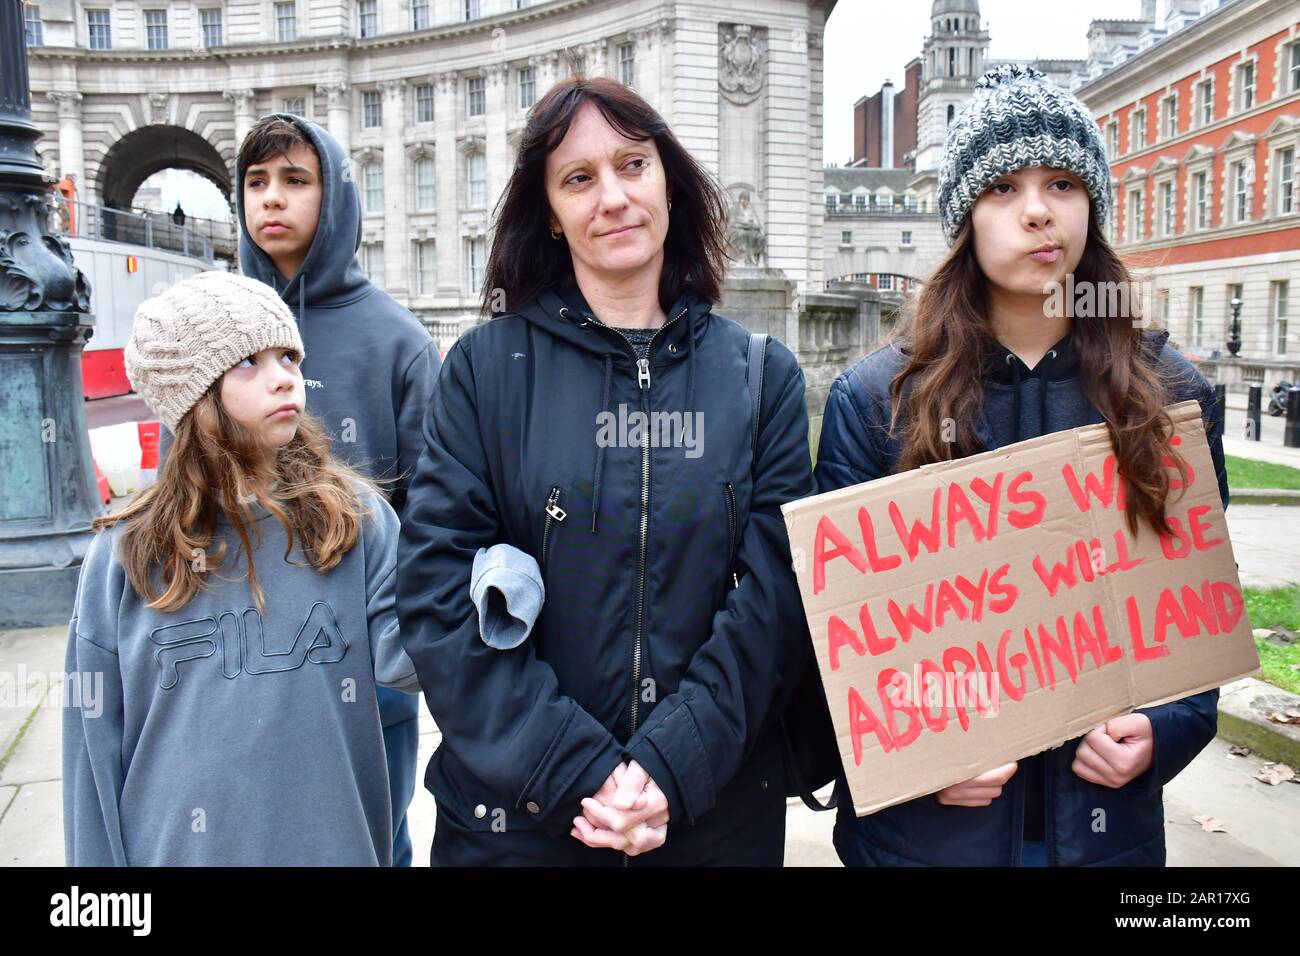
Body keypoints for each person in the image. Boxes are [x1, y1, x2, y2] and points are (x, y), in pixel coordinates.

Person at [814, 65, 1229, 867]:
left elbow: (1200, 614)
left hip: (1104, 836)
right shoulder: (875, 400)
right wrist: (923, 754)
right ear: (965, 214)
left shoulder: (1172, 396)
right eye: (1003, 187)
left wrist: (1165, 731)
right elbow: (831, 650)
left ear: (1092, 206)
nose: (1037, 210)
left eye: (1063, 183)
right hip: (923, 843)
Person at [396, 76, 816, 866]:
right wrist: (579, 772)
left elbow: (777, 600)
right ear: (550, 214)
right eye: (579, 179)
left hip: (712, 816)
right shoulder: (484, 371)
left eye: (633, 165)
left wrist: (669, 765)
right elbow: (435, 593)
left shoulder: (762, 377)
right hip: (518, 824)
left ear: (670, 182)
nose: (613, 196)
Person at [156, 114, 440, 866]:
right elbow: (176, 494)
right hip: (232, 662)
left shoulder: (398, 342)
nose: (271, 199)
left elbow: (434, 516)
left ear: (336, 196)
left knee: (377, 839)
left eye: (295, 180)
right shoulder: (205, 334)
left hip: (363, 676)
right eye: (255, 182)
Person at [63, 270, 419, 866]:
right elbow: (90, 757)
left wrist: (497, 573)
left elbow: (418, 655)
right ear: (193, 396)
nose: (285, 376)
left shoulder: (354, 521)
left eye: (288, 355)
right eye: (249, 361)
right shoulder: (125, 555)